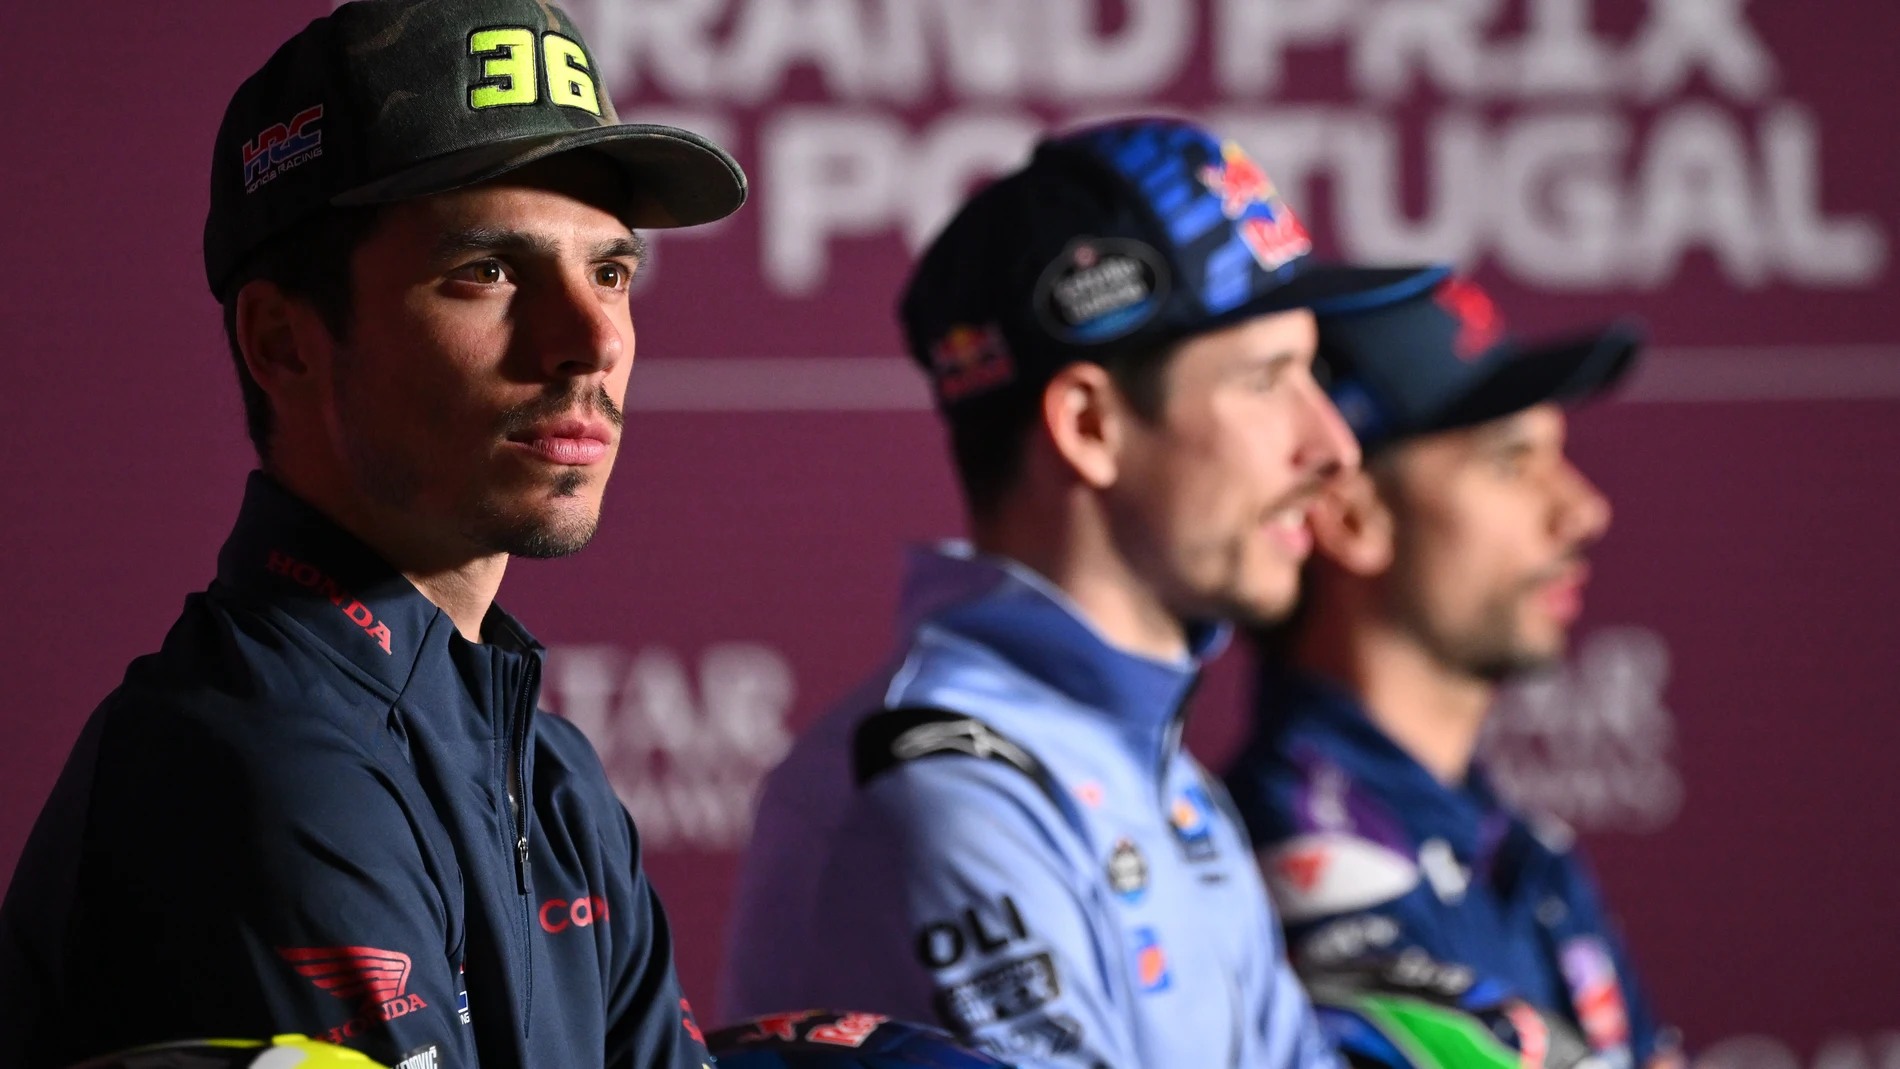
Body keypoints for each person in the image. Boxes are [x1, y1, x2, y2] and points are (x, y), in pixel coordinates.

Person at [0, 1, 744, 1066]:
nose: (590, 342)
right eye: (486, 271)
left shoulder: (552, 774)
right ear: (283, 342)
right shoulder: (260, 770)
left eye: (612, 272)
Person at [720, 116, 1447, 1069]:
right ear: (1091, 424)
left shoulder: (1162, 778)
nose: (1332, 446)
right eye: (1269, 380)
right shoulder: (953, 789)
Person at [1220, 277, 1681, 1069]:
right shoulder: (1296, 857)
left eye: (1557, 455)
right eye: (1511, 462)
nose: (1583, 509)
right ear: (1351, 517)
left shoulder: (1517, 846)